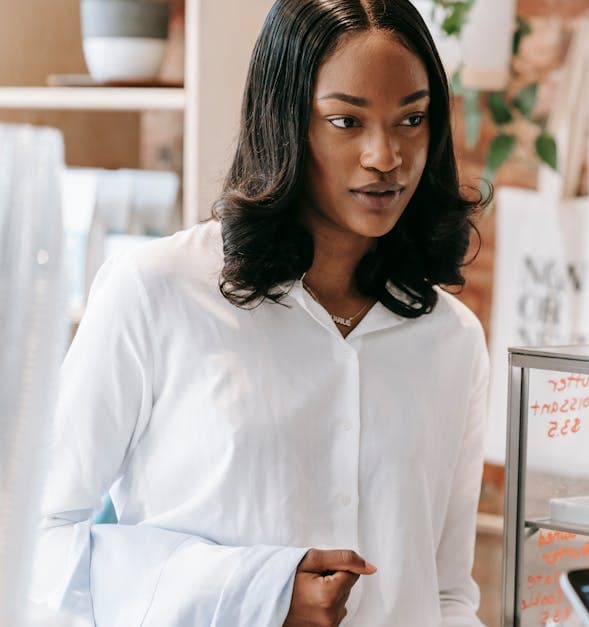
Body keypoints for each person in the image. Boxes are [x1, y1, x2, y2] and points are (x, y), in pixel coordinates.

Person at [31, 1, 490, 625]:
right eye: (345, 121)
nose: (386, 156)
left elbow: (447, 594)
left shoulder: (451, 339)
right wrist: (258, 591)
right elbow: (37, 540)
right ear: (286, 122)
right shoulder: (155, 293)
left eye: (411, 118)